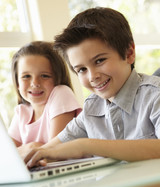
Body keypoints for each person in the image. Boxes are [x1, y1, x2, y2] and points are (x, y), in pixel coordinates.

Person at [24, 7, 160, 168]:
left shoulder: (154, 96)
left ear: (129, 53)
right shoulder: (92, 107)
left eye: (99, 61)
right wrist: (33, 155)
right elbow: (50, 150)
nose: (92, 76)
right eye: (81, 69)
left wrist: (86, 145)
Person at [9, 41, 82, 158]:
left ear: (58, 78)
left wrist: (32, 149)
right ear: (17, 82)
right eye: (26, 76)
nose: (35, 83)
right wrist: (31, 147)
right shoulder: (21, 111)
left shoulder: (61, 93)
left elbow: (54, 152)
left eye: (44, 76)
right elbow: (6, 155)